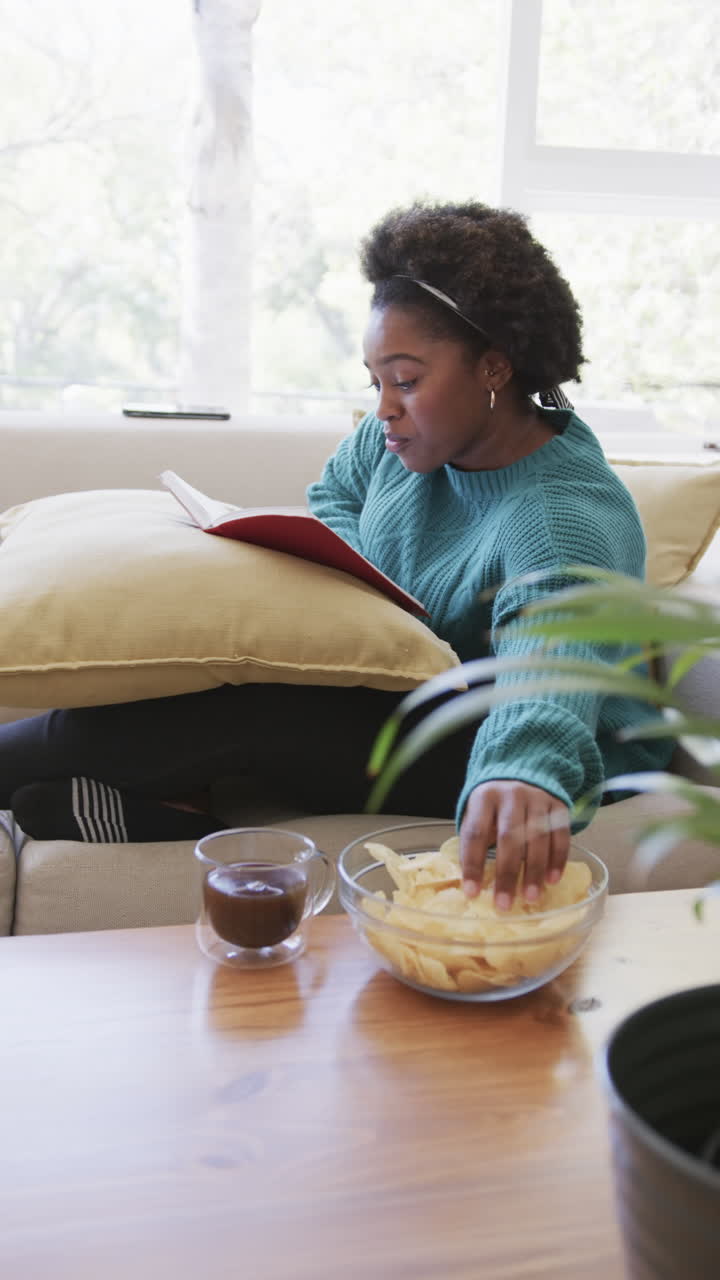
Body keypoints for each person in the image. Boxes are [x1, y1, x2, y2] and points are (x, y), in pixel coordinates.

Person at [0, 200, 672, 907]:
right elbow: (335, 495)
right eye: (375, 380)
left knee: (258, 711)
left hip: (509, 742)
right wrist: (366, 592)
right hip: (414, 686)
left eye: (407, 380)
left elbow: (552, 661)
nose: (384, 405)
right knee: (224, 665)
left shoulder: (556, 514)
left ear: (494, 368)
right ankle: (150, 813)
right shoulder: (405, 441)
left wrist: (525, 770)